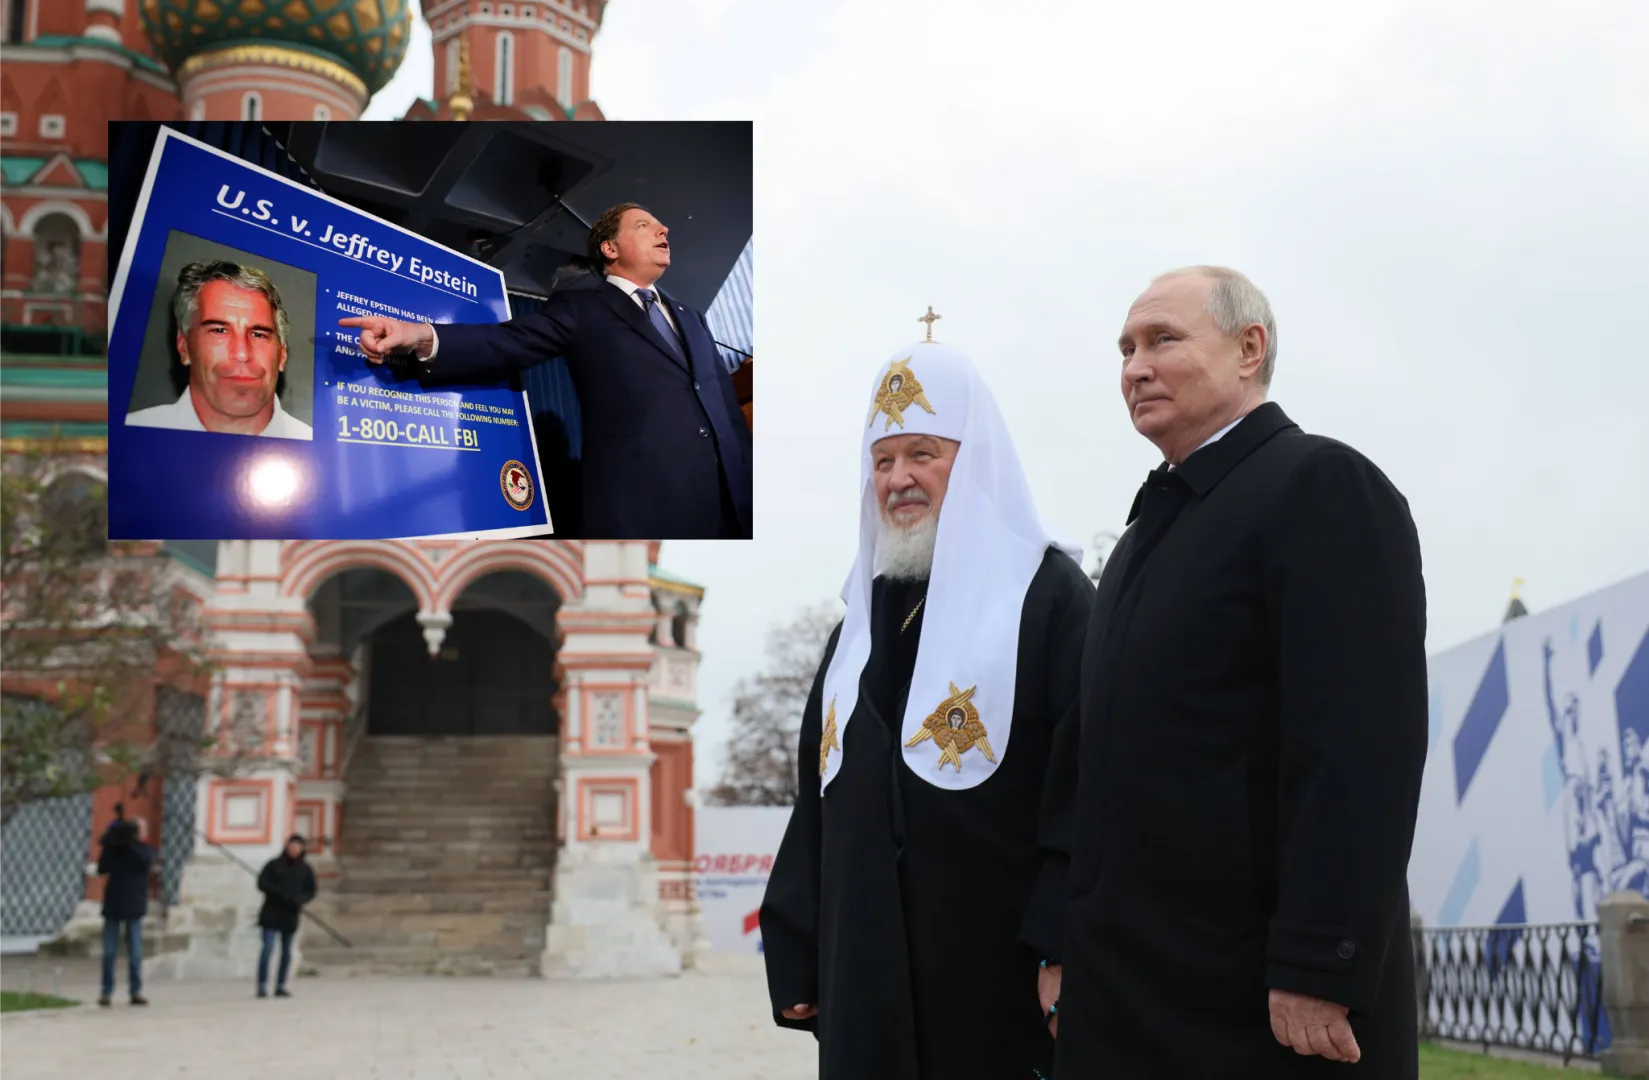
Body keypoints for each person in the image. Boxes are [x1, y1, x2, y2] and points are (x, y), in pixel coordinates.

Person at [1044, 267, 1429, 1078]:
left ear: (1249, 348)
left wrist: (1319, 963)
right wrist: (1057, 939)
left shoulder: (1320, 485)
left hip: (1259, 1007)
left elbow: (1359, 747)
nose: (1134, 367)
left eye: (1162, 340)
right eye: (1124, 349)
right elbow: (1087, 762)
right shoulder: (1143, 536)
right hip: (1129, 998)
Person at [759, 334, 1094, 1079]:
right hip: (864, 978)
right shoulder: (860, 621)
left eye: (921, 454)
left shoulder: (1049, 599)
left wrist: (1061, 943)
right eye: (882, 462)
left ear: (971, 461)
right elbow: (817, 797)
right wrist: (799, 944)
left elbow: (1088, 791)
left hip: (994, 979)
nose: (898, 480)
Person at [337, 203, 751, 539]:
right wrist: (417, 335)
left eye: (663, 227)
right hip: (646, 509)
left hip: (731, 508)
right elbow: (503, 343)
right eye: (646, 225)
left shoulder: (692, 317)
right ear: (610, 248)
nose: (664, 232)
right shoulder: (582, 309)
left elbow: (726, 412)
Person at [126, 260, 313, 440]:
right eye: (219, 331)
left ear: (282, 354)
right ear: (184, 348)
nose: (241, 353)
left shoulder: (321, 446)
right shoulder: (126, 435)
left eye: (258, 334)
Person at [96, 809, 154, 1007]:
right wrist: (113, 841)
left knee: (135, 952)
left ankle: (135, 990)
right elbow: (102, 868)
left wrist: (128, 843)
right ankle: (106, 991)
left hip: (134, 905)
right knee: (109, 951)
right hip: (114, 904)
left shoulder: (142, 849)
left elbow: (144, 863)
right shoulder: (115, 848)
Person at [256, 834, 318, 998]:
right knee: (267, 948)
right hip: (271, 912)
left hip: (290, 914)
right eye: (292, 846)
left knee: (286, 952)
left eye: (298, 847)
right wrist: (278, 894)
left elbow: (311, 890)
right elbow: (262, 883)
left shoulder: (305, 869)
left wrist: (299, 900)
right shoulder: (273, 865)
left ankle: (281, 985)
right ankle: (262, 985)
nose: (294, 849)